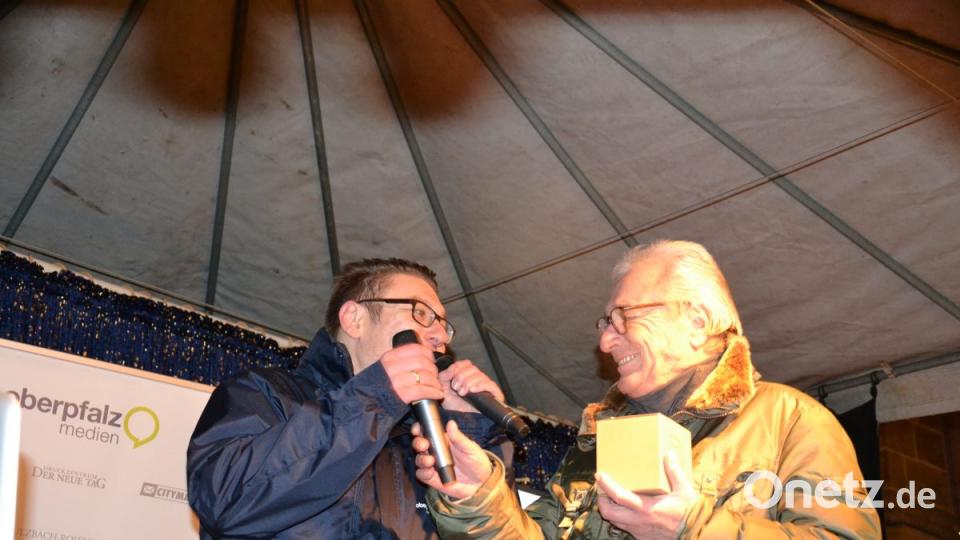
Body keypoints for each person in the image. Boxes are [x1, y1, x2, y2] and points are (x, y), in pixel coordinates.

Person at [413, 240, 881, 539]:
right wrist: (479, 497)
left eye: (624, 317)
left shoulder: (791, 421)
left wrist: (691, 528)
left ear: (696, 321)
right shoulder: (598, 441)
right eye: (605, 322)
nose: (605, 342)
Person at [187, 258, 512, 538]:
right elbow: (226, 499)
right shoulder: (266, 393)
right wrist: (375, 398)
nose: (439, 335)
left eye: (443, 325)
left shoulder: (422, 442)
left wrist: (470, 430)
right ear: (354, 319)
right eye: (422, 313)